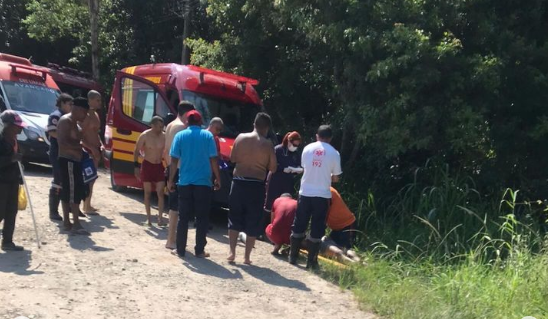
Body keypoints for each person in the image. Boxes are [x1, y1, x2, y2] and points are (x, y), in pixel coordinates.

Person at [168, 110, 221, 258]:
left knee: (183, 217)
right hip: (203, 182)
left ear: (187, 122)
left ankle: (180, 250)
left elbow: (173, 161)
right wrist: (217, 178)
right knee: (202, 217)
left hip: (184, 181)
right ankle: (199, 250)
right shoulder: (208, 136)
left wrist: (171, 180)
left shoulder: (180, 136)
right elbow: (213, 160)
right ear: (200, 122)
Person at [289, 125, 342, 269]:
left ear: (317, 136)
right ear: (330, 138)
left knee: (299, 223)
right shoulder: (334, 153)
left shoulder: (307, 149)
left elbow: (305, 168)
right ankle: (311, 261)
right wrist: (327, 175)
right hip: (322, 195)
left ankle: (293, 256)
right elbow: (336, 178)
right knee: (317, 227)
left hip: (305, 192)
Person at [227, 112, 277, 264]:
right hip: (256, 185)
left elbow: (232, 158)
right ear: (266, 128)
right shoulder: (268, 144)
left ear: (254, 124)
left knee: (234, 217)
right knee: (253, 220)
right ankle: (247, 257)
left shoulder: (240, 138)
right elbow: (273, 168)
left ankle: (232, 252)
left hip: (238, 182)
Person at [164, 101, 195, 249]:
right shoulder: (181, 128)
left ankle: (172, 238)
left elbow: (165, 150)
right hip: (178, 169)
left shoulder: (170, 125)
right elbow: (179, 153)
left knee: (173, 206)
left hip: (172, 167)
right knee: (176, 208)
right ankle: (171, 240)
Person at [57, 97, 90, 235]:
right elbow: (63, 143)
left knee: (74, 190)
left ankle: (69, 222)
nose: (85, 116)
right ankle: (73, 222)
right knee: (71, 191)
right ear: (80, 110)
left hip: (75, 161)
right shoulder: (66, 121)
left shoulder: (76, 124)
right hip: (68, 160)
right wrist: (80, 147)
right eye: (85, 113)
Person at [134, 116, 166, 227]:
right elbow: (136, 150)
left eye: (162, 126)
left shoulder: (164, 136)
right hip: (147, 165)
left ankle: (160, 218)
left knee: (160, 192)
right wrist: (136, 166)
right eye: (158, 126)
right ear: (152, 125)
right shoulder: (145, 135)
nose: (160, 129)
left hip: (158, 166)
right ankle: (148, 219)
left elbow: (167, 152)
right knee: (147, 193)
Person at [0, 111, 25, 251]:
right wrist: (11, 159)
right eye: (17, 126)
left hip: (13, 181)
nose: (20, 129)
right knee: (1, 211)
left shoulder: (15, 141)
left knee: (11, 211)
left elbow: (17, 160)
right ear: (7, 125)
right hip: (1, 182)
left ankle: (7, 242)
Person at [47, 93, 73, 221]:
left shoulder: (68, 117)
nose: (71, 107)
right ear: (62, 103)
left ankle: (67, 206)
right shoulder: (56, 116)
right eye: (69, 104)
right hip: (57, 152)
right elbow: (52, 132)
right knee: (58, 180)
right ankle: (53, 211)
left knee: (67, 180)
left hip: (66, 153)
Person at [264, 131, 302, 212]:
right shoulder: (278, 149)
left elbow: (298, 164)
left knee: (285, 206)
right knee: (271, 205)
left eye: (297, 145)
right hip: (275, 180)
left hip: (288, 181)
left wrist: (297, 170)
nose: (295, 147)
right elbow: (270, 164)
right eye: (294, 145)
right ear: (289, 141)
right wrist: (282, 168)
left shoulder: (296, 153)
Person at [81, 90, 104, 215]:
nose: (99, 103)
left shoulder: (96, 114)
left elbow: (96, 133)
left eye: (100, 100)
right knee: (88, 178)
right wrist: (91, 148)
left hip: (96, 149)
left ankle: (88, 203)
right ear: (90, 100)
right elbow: (81, 135)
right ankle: (85, 205)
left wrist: (101, 145)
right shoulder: (84, 116)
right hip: (88, 150)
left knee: (93, 178)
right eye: (97, 100)